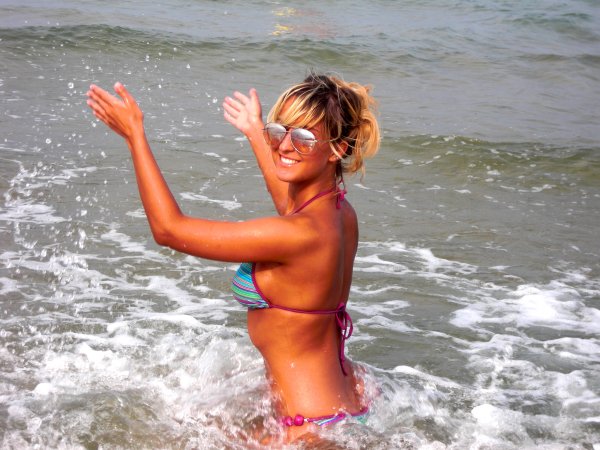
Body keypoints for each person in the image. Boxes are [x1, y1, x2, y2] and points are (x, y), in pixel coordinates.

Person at [86, 73, 380, 443]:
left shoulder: (298, 234)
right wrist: (256, 131)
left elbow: (169, 230)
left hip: (307, 430)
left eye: (304, 138)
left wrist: (135, 136)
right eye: (280, 131)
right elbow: (290, 204)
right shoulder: (339, 214)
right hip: (347, 403)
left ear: (337, 149)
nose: (285, 145)